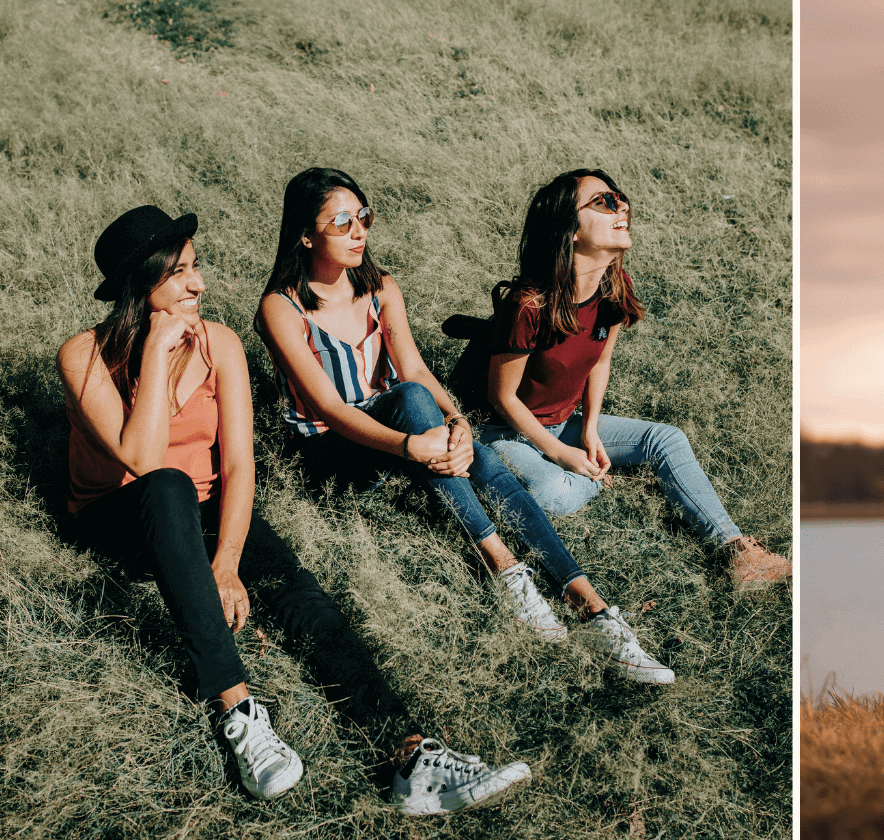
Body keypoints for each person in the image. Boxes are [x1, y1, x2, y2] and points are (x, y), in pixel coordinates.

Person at [60, 205, 530, 812]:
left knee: (301, 596)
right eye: (179, 274)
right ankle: (239, 713)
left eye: (195, 268)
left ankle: (410, 757)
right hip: (119, 514)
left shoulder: (219, 343)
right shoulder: (83, 356)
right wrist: (155, 351)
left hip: (204, 508)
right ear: (138, 288)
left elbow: (237, 467)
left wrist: (227, 563)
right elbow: (144, 461)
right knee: (169, 485)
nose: (199, 284)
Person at [254, 168, 672, 685]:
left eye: (364, 216)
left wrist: (456, 424)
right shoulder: (280, 307)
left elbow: (415, 370)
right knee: (411, 403)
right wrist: (413, 447)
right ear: (305, 233)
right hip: (332, 449)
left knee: (479, 455)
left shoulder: (381, 287)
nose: (359, 230)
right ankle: (503, 567)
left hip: (405, 426)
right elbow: (332, 409)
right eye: (342, 221)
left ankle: (589, 601)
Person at [473, 168, 791, 591]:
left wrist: (588, 430)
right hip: (509, 431)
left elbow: (599, 363)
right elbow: (503, 398)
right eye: (603, 202)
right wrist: (561, 453)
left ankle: (738, 553)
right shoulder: (530, 305)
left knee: (668, 439)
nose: (621, 207)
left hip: (568, 422)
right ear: (569, 231)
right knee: (555, 494)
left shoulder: (613, 286)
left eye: (619, 198)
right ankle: (594, 478)